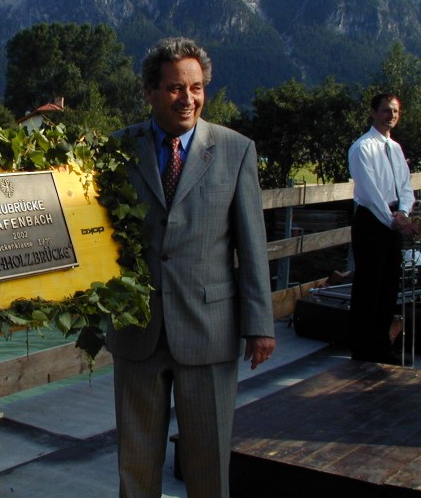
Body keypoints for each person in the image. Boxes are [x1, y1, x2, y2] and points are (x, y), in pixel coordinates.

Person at [105, 36, 276, 498]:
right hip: (137, 329)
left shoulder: (236, 150)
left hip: (210, 330)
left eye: (197, 87)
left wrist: (260, 324)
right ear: (150, 91)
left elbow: (251, 243)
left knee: (208, 465)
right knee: (135, 467)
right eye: (176, 88)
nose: (189, 99)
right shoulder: (117, 150)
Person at [348, 92, 418, 364]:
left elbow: (405, 186)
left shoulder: (396, 148)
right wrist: (393, 219)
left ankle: (381, 345)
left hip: (392, 221)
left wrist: (402, 212)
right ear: (374, 113)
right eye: (387, 111)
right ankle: (362, 349)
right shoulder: (362, 148)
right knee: (368, 285)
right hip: (371, 221)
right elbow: (369, 192)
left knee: (389, 285)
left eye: (396, 112)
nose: (392, 117)